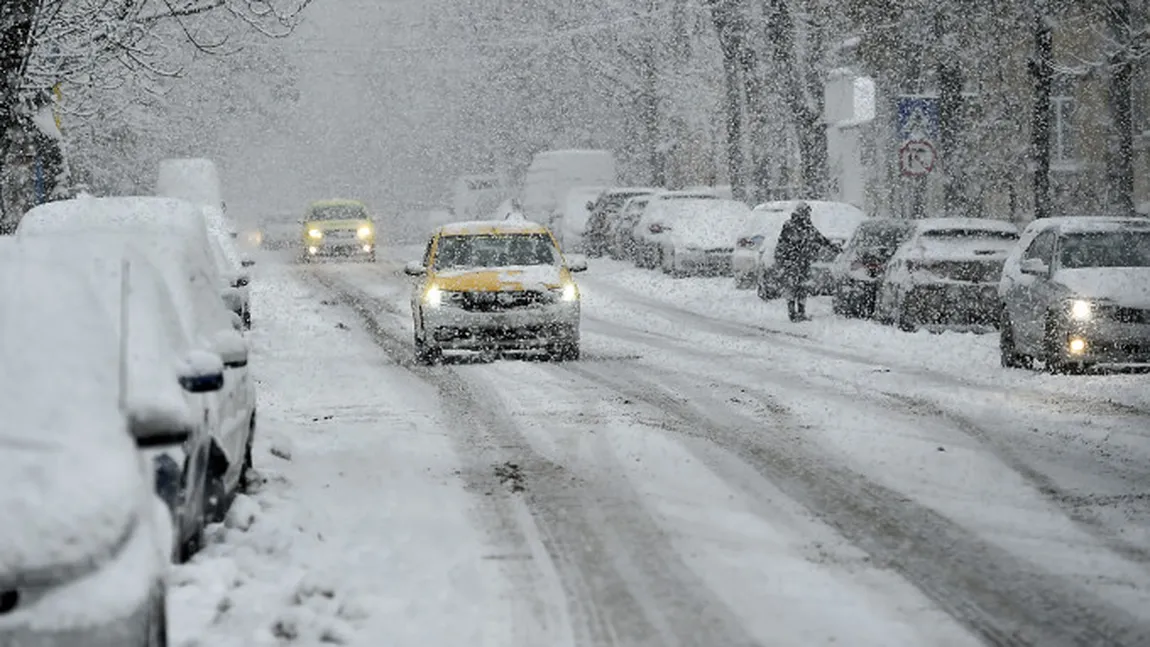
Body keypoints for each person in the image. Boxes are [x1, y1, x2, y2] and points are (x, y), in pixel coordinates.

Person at [774, 202, 841, 322]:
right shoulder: (790, 226)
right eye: (806, 212)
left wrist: (833, 247)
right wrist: (786, 259)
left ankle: (801, 311)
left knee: (802, 287)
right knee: (792, 287)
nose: (808, 215)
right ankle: (792, 313)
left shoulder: (808, 227)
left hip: (803, 262)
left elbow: (820, 239)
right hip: (792, 262)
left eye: (808, 213)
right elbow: (784, 244)